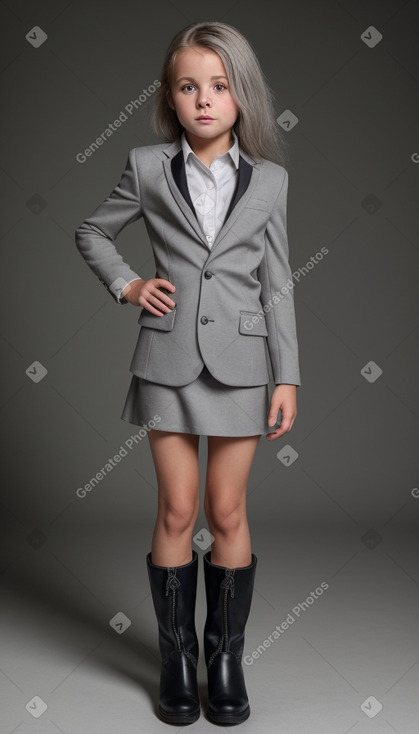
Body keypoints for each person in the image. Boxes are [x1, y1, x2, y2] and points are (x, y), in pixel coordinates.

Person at [75, 20, 301, 726]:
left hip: (241, 366)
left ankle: (224, 658)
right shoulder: (145, 166)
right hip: (166, 360)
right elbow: (90, 230)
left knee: (226, 511)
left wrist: (286, 376)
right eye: (187, 86)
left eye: (219, 85)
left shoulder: (270, 180)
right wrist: (129, 286)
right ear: (170, 98)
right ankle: (175, 660)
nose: (204, 99)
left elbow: (278, 284)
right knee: (175, 510)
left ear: (242, 96)